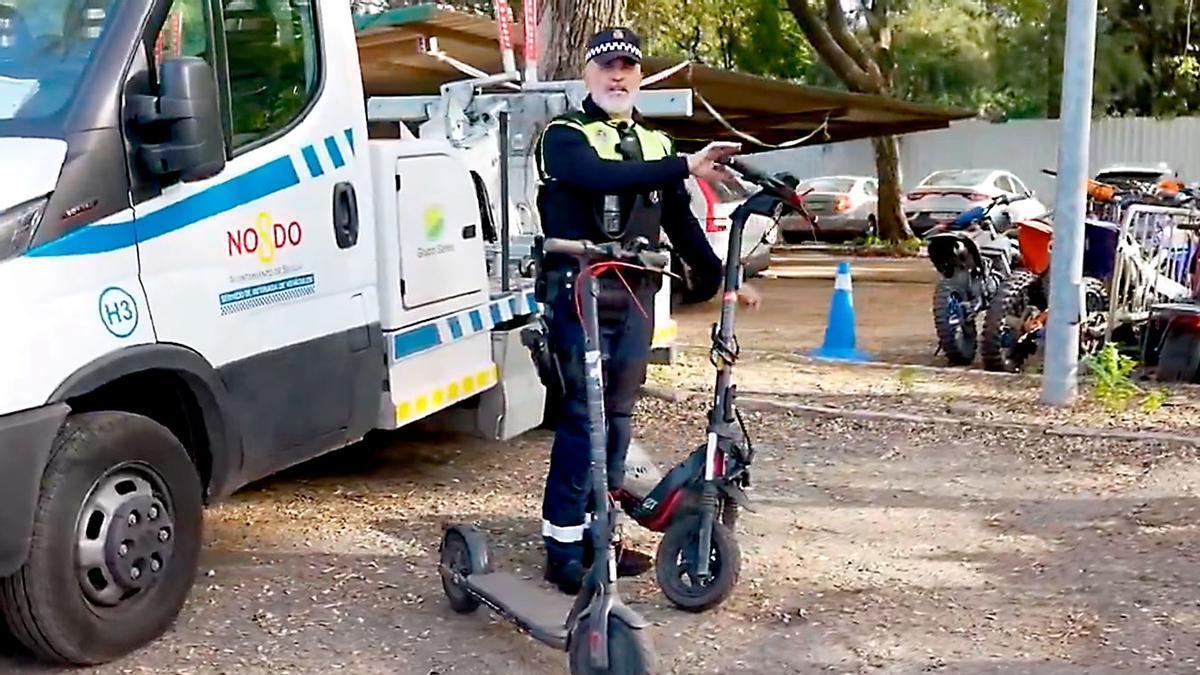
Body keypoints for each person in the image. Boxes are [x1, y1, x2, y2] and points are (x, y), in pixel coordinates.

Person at [533, 26, 763, 594]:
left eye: (628, 68)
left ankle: (600, 538)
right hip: (578, 286)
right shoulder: (563, 135)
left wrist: (722, 277)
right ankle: (563, 550)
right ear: (588, 73)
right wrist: (685, 166)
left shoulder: (658, 147)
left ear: (639, 78)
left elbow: (680, 226)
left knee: (617, 419)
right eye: (607, 66)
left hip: (635, 292)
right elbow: (595, 177)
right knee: (582, 418)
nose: (617, 76)